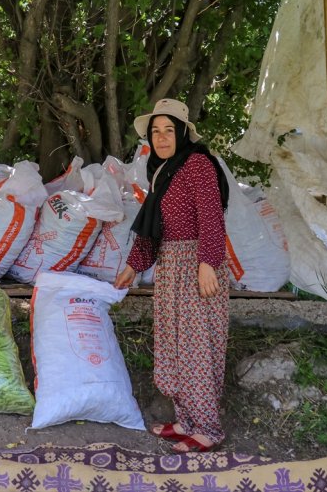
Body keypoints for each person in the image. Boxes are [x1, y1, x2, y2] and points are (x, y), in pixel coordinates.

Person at [114, 98, 229, 453]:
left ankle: (208, 428)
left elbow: (211, 215)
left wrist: (208, 262)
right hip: (170, 265)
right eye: (156, 131)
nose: (162, 137)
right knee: (175, 345)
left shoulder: (198, 164)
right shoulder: (162, 171)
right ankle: (186, 421)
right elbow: (153, 227)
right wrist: (133, 265)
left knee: (197, 348)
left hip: (197, 265)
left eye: (169, 130)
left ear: (182, 133)